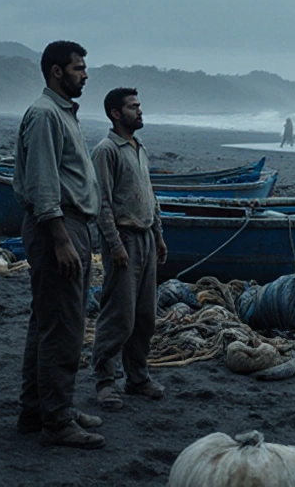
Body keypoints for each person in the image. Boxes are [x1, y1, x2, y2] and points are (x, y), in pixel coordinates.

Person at [13, 41, 105, 449]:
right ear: (56, 72)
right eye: (78, 68)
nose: (85, 75)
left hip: (69, 224)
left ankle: (38, 410)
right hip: (58, 225)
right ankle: (57, 420)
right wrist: (61, 238)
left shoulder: (61, 113)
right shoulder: (46, 114)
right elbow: (43, 183)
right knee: (64, 328)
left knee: (47, 320)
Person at [90, 87, 169, 412]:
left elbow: (150, 196)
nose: (140, 111)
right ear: (115, 113)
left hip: (146, 238)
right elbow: (102, 203)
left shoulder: (139, 148)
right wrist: (114, 244)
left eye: (139, 106)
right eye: (133, 107)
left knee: (145, 315)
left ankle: (137, 377)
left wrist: (159, 235)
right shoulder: (106, 150)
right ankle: (105, 381)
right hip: (123, 238)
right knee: (119, 314)